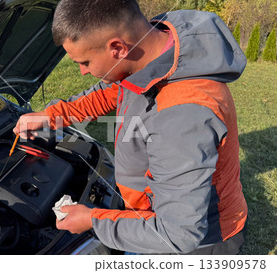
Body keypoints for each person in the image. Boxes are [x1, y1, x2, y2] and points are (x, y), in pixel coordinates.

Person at [13, 0, 248, 254]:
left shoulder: (182, 116)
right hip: (151, 214)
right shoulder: (155, 46)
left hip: (200, 244)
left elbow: (177, 233)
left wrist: (92, 220)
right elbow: (113, 89)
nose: (82, 72)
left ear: (117, 48)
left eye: (85, 62)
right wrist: (52, 116)